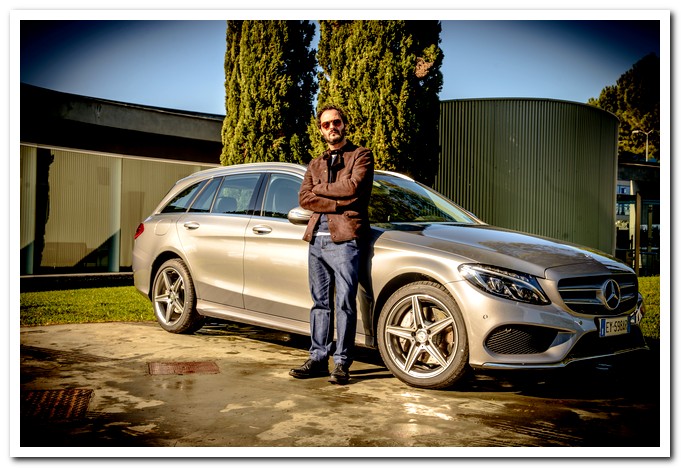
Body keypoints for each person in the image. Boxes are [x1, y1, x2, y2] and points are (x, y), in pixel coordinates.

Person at [289, 105, 374, 385]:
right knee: (320, 303)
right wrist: (338, 201)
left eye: (336, 122)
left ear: (344, 125)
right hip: (316, 239)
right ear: (320, 130)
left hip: (347, 238)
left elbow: (353, 188)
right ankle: (317, 358)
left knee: (344, 303)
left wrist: (321, 192)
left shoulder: (361, 155)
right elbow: (304, 199)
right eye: (326, 124)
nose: (331, 127)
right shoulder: (314, 164)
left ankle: (341, 363)